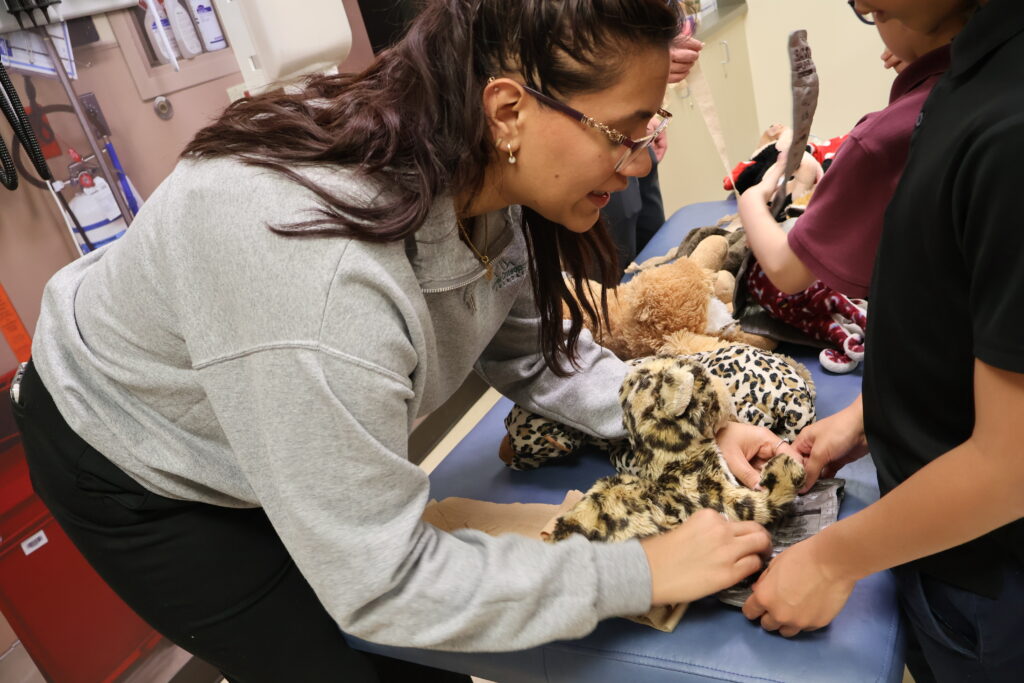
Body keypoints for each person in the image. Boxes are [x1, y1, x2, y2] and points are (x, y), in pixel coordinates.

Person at [9, 2, 779, 681]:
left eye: (651, 125)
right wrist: (637, 570)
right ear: (508, 110)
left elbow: (529, 347)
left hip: (256, 386)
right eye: (624, 131)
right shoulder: (320, 277)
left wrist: (684, 417)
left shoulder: (477, 170)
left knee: (427, 655)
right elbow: (385, 584)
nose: (642, 159)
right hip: (127, 453)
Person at [742, 2, 1024, 682]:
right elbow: (963, 321)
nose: (864, 7)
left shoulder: (1011, 129)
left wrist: (830, 559)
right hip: (936, 526)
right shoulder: (965, 75)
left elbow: (1011, 462)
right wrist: (867, 421)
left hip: (982, 568)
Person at [737, 7, 960, 298]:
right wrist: (920, 66)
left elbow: (787, 270)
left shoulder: (879, 141)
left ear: (875, 8)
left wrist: (751, 200)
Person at [603, 16, 704, 272]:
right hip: (600, 136)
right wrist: (645, 64)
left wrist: (650, 112)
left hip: (632, 128)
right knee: (611, 260)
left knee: (653, 250)